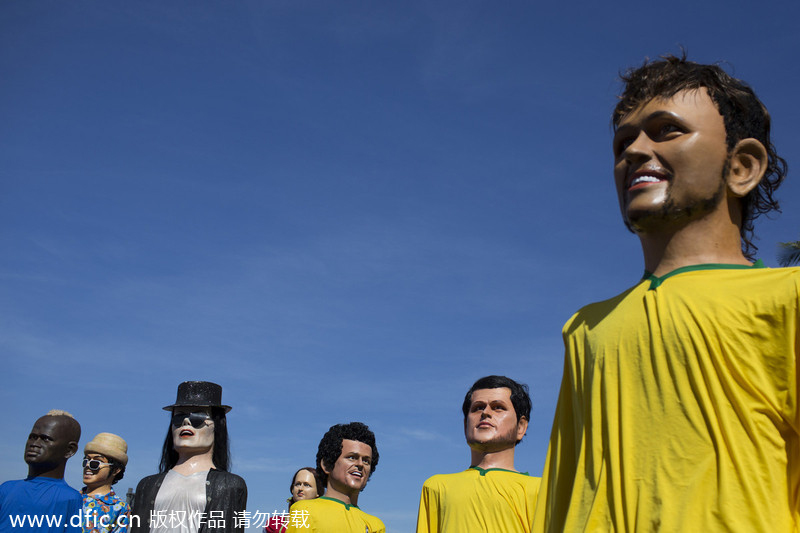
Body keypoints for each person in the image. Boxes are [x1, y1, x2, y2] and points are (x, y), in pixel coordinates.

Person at [533, 54, 796, 532]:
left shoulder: (789, 296)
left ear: (742, 166)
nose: (634, 151)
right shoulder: (585, 327)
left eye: (666, 130)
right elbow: (563, 488)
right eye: (623, 142)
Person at [417, 375, 541, 533]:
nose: (485, 413)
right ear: (465, 425)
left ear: (521, 426)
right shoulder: (436, 487)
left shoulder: (542, 490)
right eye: (477, 408)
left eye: (498, 407)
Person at [131, 381, 247, 533]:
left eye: (198, 416)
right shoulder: (147, 485)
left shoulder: (230, 485)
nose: (186, 422)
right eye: (178, 417)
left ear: (218, 425)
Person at [285, 422, 384, 533]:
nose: (360, 464)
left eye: (366, 461)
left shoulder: (375, 525)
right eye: (351, 457)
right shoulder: (304, 511)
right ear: (327, 465)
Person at [0, 410, 83, 533]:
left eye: (45, 439)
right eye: (32, 437)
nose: (34, 444)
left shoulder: (70, 498)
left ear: (69, 450)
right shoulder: (6, 489)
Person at [81, 432, 130, 533]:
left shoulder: (120, 508)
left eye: (95, 463)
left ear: (116, 469)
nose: (88, 466)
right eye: (86, 461)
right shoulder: (71, 497)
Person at [264, 467, 324, 533]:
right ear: (292, 489)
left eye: (307, 485)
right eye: (298, 484)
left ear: (318, 492)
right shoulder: (274, 523)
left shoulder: (324, 522)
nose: (300, 488)